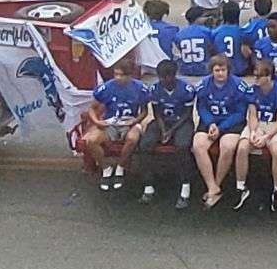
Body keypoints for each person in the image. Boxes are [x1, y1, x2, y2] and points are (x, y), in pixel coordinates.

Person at [136, 58, 196, 208]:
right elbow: (157, 113)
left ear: (174, 75)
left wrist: (171, 131)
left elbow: (187, 114)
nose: (165, 80)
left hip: (181, 122)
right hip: (162, 121)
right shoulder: (155, 89)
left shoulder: (186, 89)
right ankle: (148, 184)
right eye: (162, 77)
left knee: (182, 146)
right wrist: (163, 130)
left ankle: (185, 186)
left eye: (168, 76)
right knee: (145, 144)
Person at [81, 57, 148, 191]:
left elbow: (144, 111)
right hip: (110, 122)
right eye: (116, 74)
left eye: (121, 75)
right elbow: (92, 108)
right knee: (91, 141)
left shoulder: (140, 88)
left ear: (129, 75)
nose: (118, 78)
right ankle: (105, 167)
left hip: (130, 122)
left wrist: (134, 121)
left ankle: (121, 166)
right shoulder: (106, 88)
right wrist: (97, 121)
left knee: (132, 138)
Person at [192, 54, 248, 207]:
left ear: (228, 70)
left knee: (227, 147)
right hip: (211, 121)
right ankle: (212, 186)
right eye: (217, 70)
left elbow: (241, 112)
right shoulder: (204, 84)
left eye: (223, 70)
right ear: (212, 71)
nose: (220, 73)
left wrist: (222, 127)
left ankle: (217, 183)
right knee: (198, 146)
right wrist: (210, 123)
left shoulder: (238, 85)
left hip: (230, 122)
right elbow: (201, 106)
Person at [234, 59, 277, 213]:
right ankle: (241, 187)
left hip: (274, 126)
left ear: (269, 76)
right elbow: (252, 115)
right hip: (258, 125)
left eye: (259, 76)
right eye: (255, 75)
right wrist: (253, 132)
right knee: (242, 147)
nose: (256, 79)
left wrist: (266, 137)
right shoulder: (252, 90)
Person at [210, 3, 255, 78]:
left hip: (221, 69)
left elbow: (212, 50)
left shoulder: (215, 32)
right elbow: (246, 53)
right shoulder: (242, 32)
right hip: (240, 70)